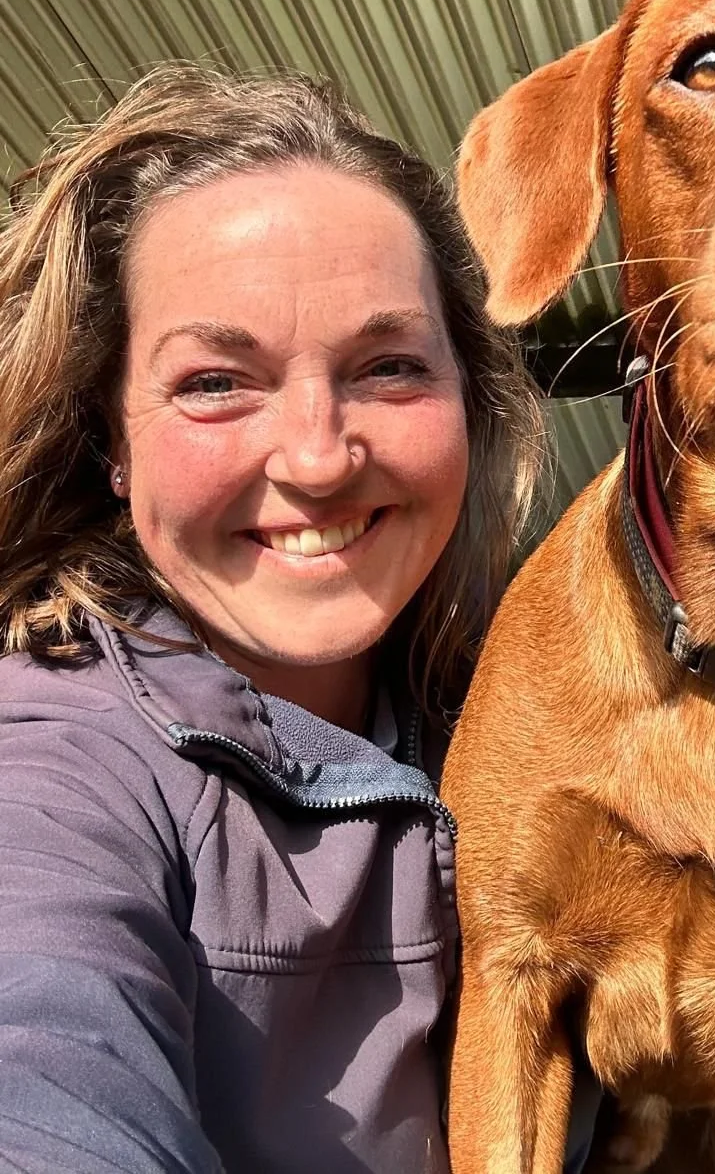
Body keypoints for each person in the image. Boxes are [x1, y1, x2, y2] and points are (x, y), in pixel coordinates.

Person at [0, 65, 546, 1172]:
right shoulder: (56, 761)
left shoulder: (528, 733)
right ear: (110, 434)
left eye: (389, 367)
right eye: (214, 382)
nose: (317, 455)